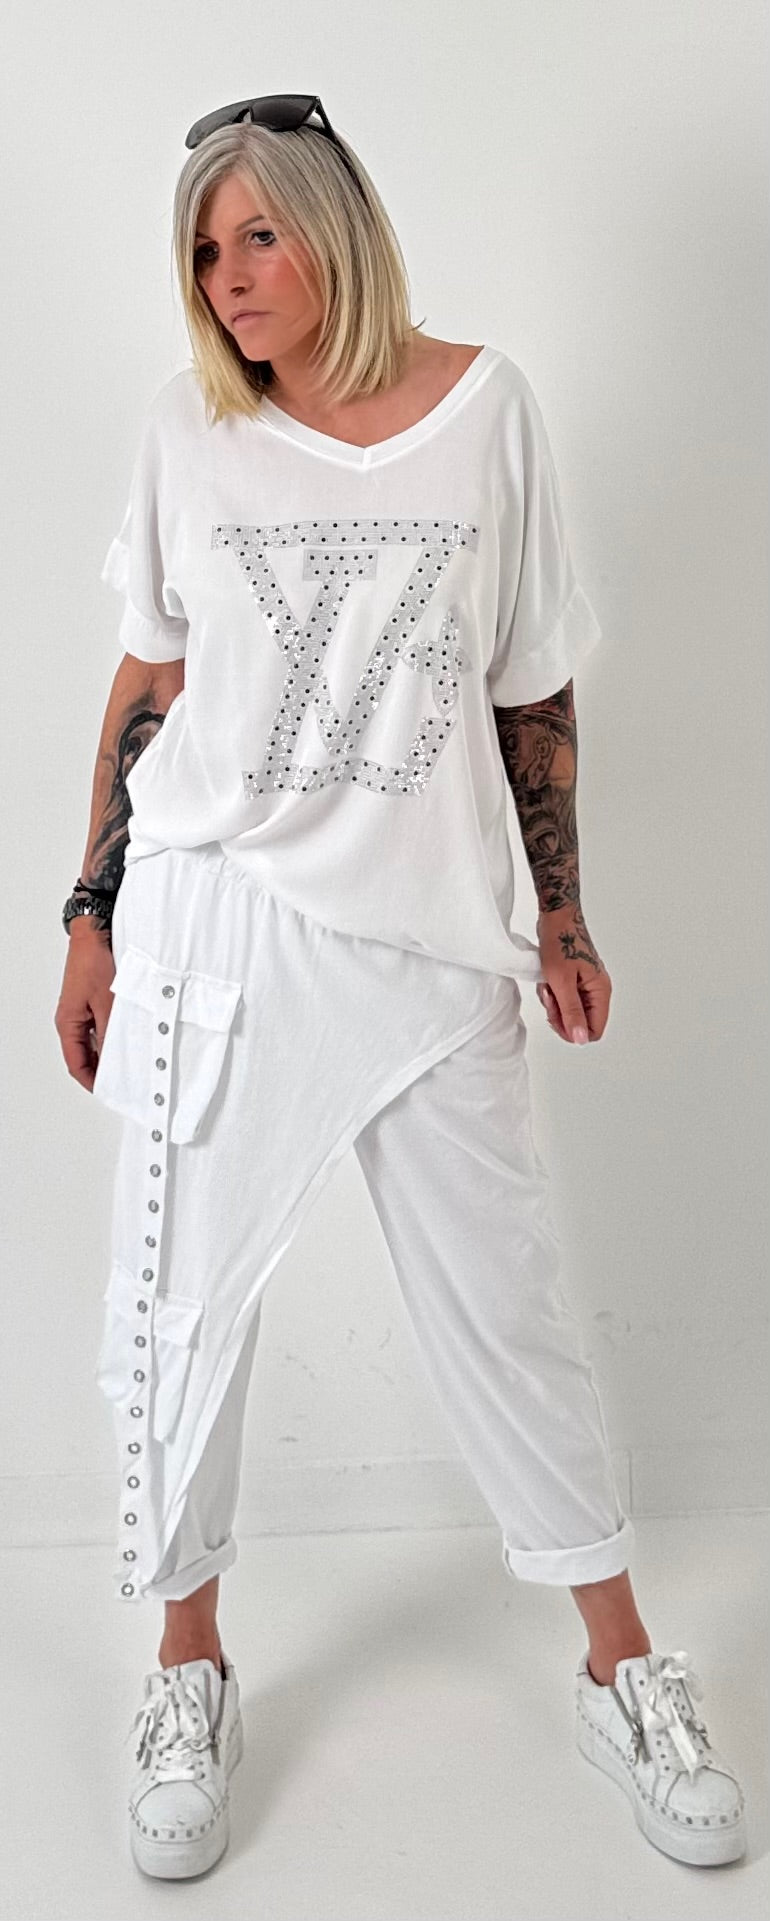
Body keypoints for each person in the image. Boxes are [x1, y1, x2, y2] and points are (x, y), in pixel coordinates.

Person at [54, 96, 746, 1882]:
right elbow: (147, 683)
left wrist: (562, 916)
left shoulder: (485, 410)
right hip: (216, 922)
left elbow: (530, 687)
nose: (228, 278)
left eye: (257, 235)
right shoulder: (189, 433)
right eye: (203, 253)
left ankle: (619, 1664)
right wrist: (89, 915)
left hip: (434, 931)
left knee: (506, 1305)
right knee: (184, 1307)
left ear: (334, 229)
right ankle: (187, 1670)